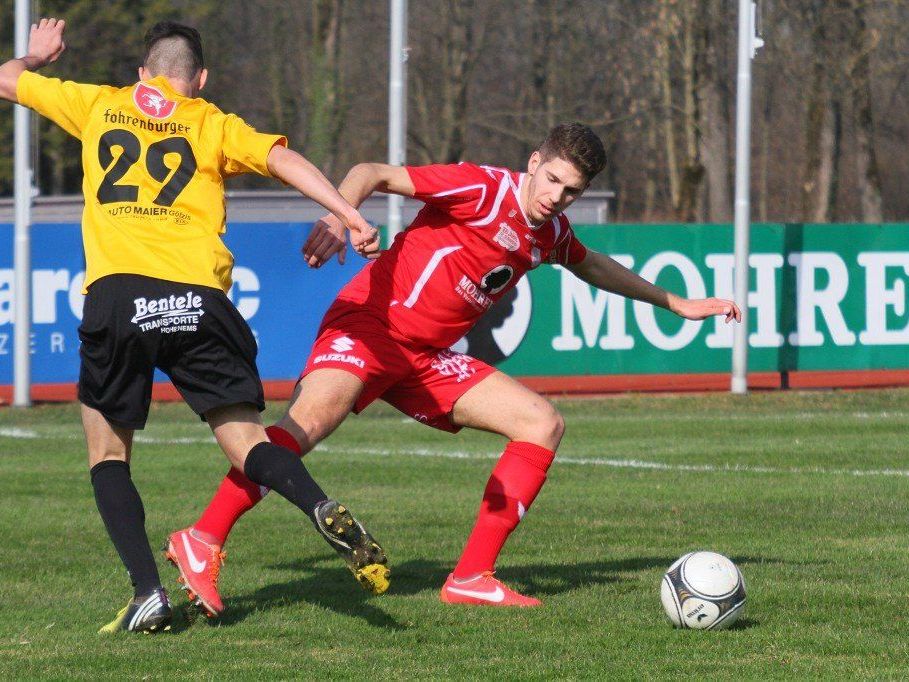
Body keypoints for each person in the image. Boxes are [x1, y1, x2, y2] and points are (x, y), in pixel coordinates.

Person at [168, 122, 742, 611]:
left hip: (423, 359)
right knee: (309, 423)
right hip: (369, 326)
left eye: (571, 191)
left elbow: (591, 265)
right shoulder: (481, 187)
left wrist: (676, 302)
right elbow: (373, 171)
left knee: (541, 424)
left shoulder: (550, 233)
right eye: (552, 180)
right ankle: (203, 537)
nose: (556, 197)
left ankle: (471, 577)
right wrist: (340, 217)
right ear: (534, 162)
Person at [0, 18, 390, 633]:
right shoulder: (213, 122)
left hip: (120, 295)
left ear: (141, 74)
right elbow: (282, 158)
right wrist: (347, 214)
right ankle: (317, 504)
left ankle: (148, 592)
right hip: (199, 301)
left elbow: (6, 80)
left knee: (107, 453)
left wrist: (36, 55)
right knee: (247, 442)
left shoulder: (98, 104)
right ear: (200, 79)